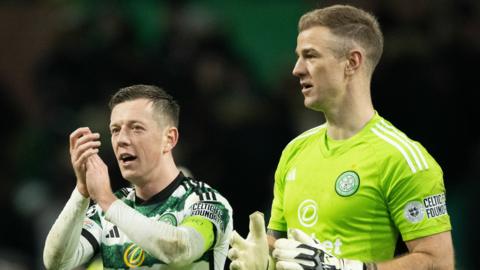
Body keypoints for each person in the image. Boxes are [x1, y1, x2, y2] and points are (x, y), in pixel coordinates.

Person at [228, 5, 453, 270]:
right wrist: (259, 256)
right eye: (298, 57)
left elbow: (438, 262)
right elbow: (279, 244)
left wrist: (352, 268)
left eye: (310, 56)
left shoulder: (402, 157)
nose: (296, 69)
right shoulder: (295, 150)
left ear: (352, 62)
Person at [43, 84, 233, 269]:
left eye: (136, 128)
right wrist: (81, 191)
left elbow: (181, 250)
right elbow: (57, 263)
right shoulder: (107, 212)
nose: (122, 140)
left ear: (169, 139)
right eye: (115, 130)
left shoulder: (207, 201)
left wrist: (107, 200)